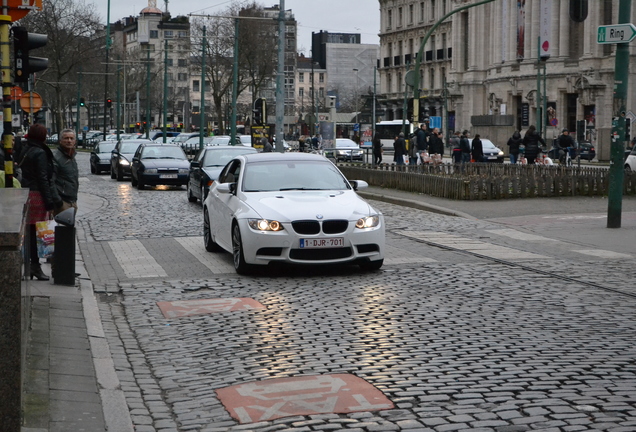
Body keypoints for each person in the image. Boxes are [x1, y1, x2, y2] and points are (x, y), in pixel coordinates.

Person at [19, 124, 63, 281]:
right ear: (42, 137)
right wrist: (50, 202)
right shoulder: (40, 153)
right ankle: (35, 266)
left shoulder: (26, 149)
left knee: (29, 233)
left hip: (26, 193)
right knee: (38, 233)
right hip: (37, 195)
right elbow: (43, 178)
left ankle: (30, 265)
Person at [52, 129, 79, 216]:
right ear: (60, 141)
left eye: (71, 138)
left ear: (75, 141)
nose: (69, 141)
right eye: (66, 138)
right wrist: (58, 201)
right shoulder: (56, 157)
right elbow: (51, 181)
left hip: (72, 200)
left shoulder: (71, 156)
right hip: (63, 202)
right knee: (63, 228)